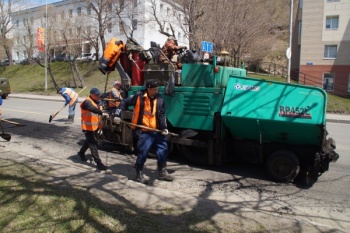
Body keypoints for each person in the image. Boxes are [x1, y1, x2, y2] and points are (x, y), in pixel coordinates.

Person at [117, 79, 174, 184]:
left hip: (157, 131)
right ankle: (138, 173)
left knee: (163, 149)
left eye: (157, 89)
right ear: (148, 89)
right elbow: (124, 102)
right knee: (143, 152)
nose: (156, 91)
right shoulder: (139, 97)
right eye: (153, 89)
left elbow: (161, 115)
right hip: (143, 131)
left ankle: (162, 171)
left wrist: (164, 128)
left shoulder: (160, 99)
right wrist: (118, 114)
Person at [77, 88, 109, 170]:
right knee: (93, 144)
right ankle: (98, 163)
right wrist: (102, 113)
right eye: (96, 95)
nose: (98, 96)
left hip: (95, 126)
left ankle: (81, 153)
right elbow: (92, 109)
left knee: (89, 142)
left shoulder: (98, 101)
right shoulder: (87, 102)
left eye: (99, 95)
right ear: (91, 95)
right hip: (87, 127)